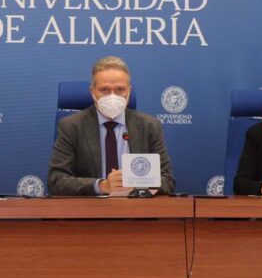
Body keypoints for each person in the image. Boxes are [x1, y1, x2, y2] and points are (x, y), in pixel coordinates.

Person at [48, 56, 175, 196]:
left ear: (129, 91)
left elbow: (167, 180)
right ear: (92, 92)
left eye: (120, 89)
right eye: (104, 90)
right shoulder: (71, 126)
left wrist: (136, 186)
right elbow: (56, 181)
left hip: (135, 207)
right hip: (90, 207)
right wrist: (101, 185)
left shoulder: (149, 126)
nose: (112, 96)